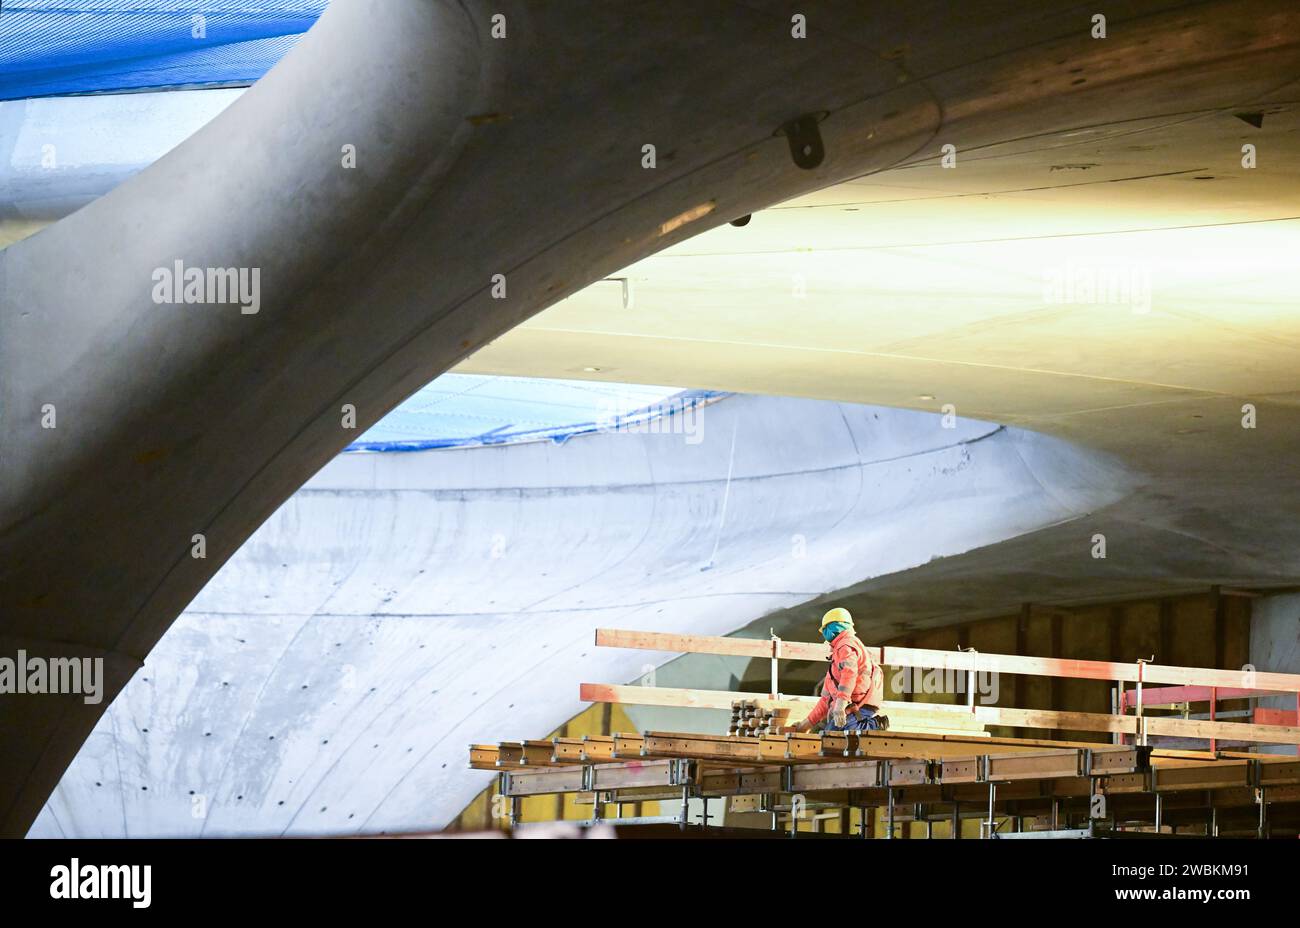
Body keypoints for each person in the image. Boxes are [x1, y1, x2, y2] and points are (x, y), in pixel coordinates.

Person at [790, 607, 888, 733]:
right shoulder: (835, 663)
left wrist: (841, 703)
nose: (824, 633)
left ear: (836, 626)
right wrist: (804, 725)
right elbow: (825, 701)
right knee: (823, 733)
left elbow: (849, 672)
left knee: (833, 734)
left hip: (860, 705)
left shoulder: (846, 645)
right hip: (852, 706)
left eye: (825, 628)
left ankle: (876, 725)